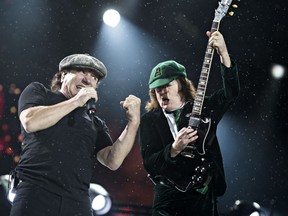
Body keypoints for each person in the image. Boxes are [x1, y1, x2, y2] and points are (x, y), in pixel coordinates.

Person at [9, 53, 141, 216]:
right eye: (82, 72)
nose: (88, 80)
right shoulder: (40, 93)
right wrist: (77, 101)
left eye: (93, 77)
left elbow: (112, 160)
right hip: (36, 193)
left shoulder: (95, 122)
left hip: (77, 202)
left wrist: (133, 124)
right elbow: (30, 122)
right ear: (63, 75)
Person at [139, 31, 240, 216]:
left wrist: (224, 54)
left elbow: (231, 93)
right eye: (157, 88)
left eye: (166, 85)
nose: (162, 92)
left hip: (202, 196)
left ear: (181, 84)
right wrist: (174, 149)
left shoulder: (204, 108)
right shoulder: (149, 120)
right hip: (168, 198)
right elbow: (149, 163)